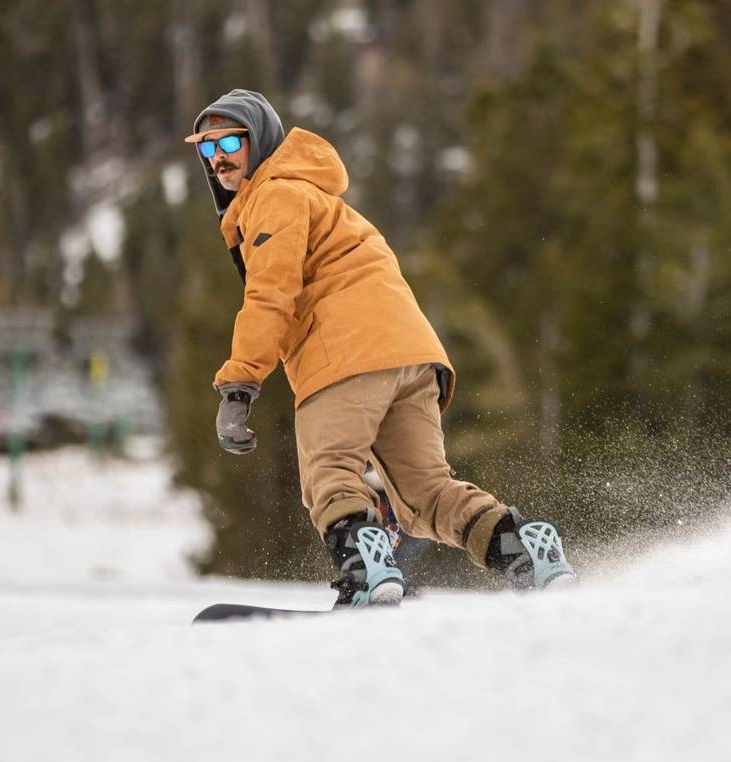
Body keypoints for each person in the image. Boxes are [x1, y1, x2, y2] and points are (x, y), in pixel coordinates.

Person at [184, 89, 575, 606]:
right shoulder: (320, 198)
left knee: (329, 474)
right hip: (411, 358)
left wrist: (239, 385)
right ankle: (524, 549)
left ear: (261, 142)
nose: (218, 159)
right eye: (206, 150)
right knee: (425, 494)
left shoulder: (274, 196)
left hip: (345, 355)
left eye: (230, 142)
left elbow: (270, 295)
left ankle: (367, 576)